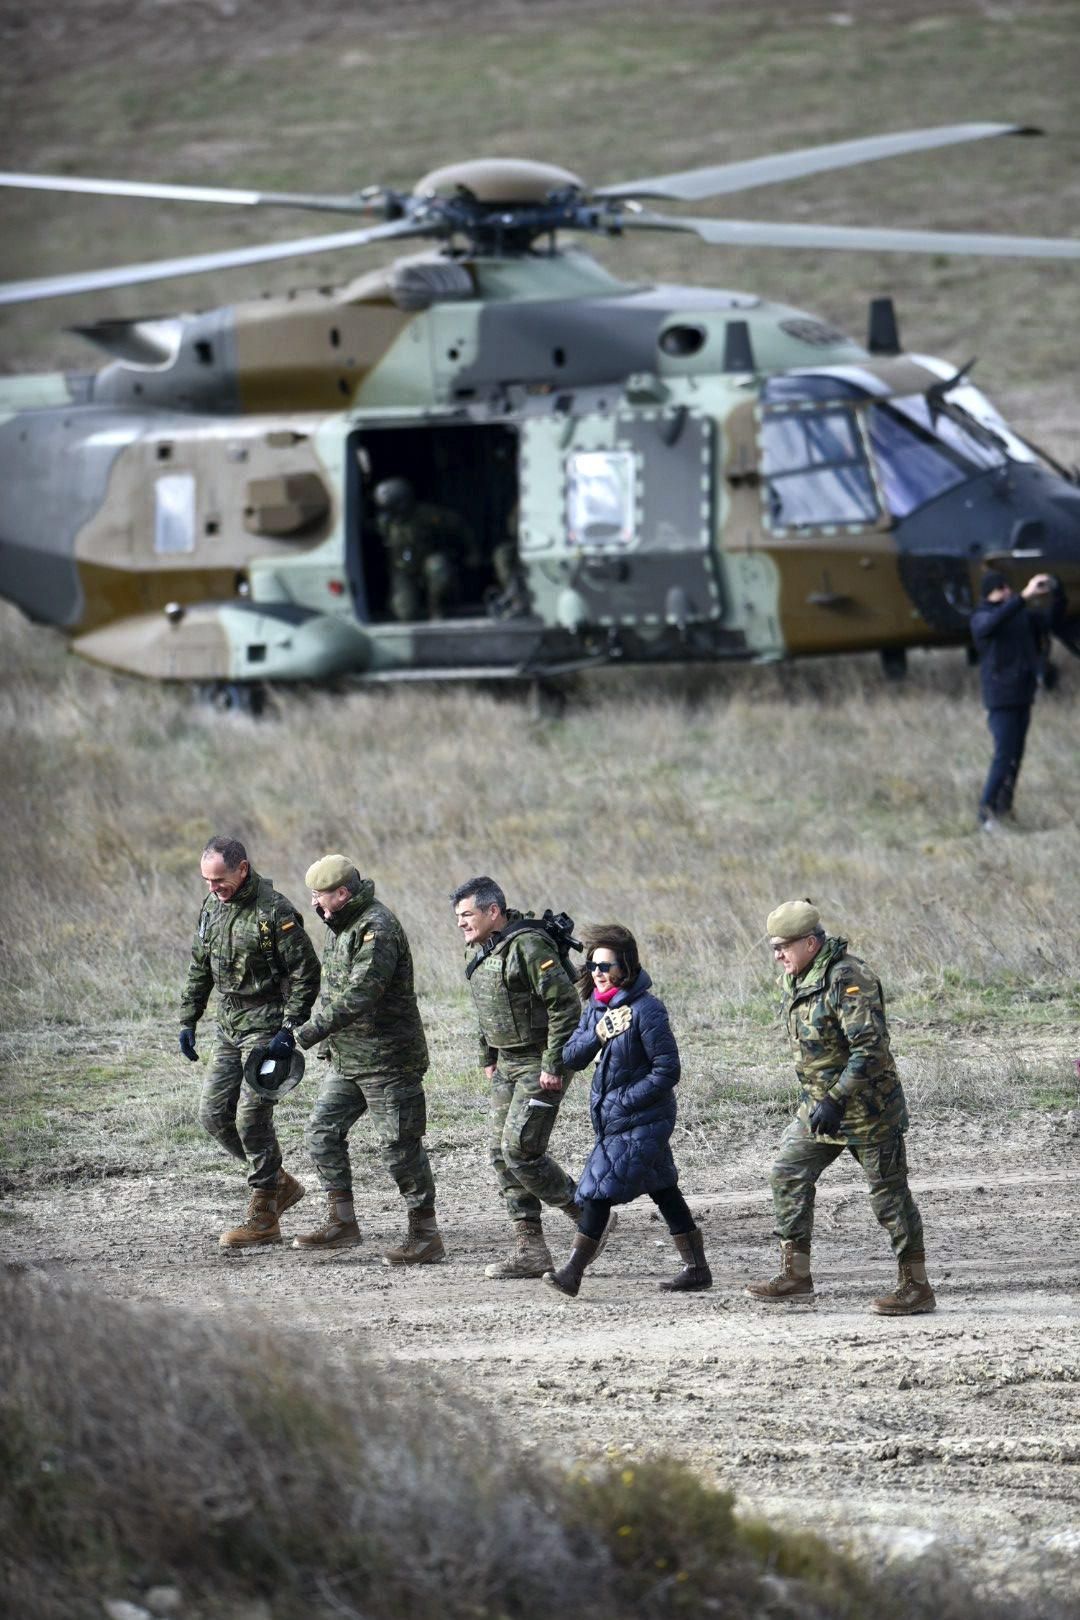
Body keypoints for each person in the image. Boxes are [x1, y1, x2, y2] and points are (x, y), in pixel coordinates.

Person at [747, 899, 935, 1316]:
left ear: (811, 943)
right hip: (819, 1109)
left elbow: (870, 1049)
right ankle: (795, 1276)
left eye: (785, 946)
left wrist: (836, 1098)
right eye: (773, 947)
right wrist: (822, 1101)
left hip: (868, 1109)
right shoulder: (797, 978)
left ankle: (916, 1286)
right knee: (787, 1172)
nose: (777, 955)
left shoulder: (849, 977)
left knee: (888, 1196)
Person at [544, 924, 710, 1300]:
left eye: (606, 965)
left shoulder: (647, 1010)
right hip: (615, 1122)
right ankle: (698, 1269)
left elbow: (667, 1070)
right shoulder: (597, 1009)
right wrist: (599, 1033)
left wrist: (622, 1101)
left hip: (644, 1118)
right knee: (664, 1189)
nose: (598, 973)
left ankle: (572, 1272)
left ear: (627, 967)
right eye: (593, 966)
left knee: (597, 1191)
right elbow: (570, 1056)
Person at [292, 855, 443, 1265]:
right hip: (349, 1059)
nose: (315, 903)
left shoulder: (377, 928)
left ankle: (425, 1234)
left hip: (388, 1060)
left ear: (343, 893)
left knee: (399, 1146)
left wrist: (305, 1035)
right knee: (321, 1132)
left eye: (321, 897)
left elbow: (360, 994)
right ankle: (342, 1223)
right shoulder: (343, 927)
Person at [178, 835, 321, 1249]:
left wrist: (289, 1027)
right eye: (206, 880)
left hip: (267, 1026)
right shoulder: (212, 908)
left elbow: (306, 973)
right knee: (212, 1114)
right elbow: (199, 967)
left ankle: (263, 1214)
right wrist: (189, 1019)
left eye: (219, 879)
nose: (213, 887)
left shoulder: (274, 912)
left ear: (242, 869)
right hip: (229, 1025)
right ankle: (279, 1183)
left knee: (250, 1118)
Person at [452, 876, 590, 1279]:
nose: (461, 923)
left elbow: (565, 1007)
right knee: (500, 1152)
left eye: (467, 915)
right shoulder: (478, 949)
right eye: (457, 917)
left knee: (520, 1149)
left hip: (538, 1061)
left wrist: (553, 1065)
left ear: (493, 911)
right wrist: (487, 1055)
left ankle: (586, 1212)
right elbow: (485, 1007)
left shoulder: (529, 946)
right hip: (507, 1063)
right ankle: (530, 1249)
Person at [970, 569, 1066, 829]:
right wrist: (1023, 596)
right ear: (989, 592)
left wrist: (1057, 593)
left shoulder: (1019, 615)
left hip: (1023, 694)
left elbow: (1050, 621)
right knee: (1003, 756)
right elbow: (992, 624)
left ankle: (1004, 809)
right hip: (1001, 697)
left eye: (1007, 586)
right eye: (1000, 588)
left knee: (1015, 757)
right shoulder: (981, 617)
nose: (1006, 591)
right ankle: (985, 814)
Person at [373, 477, 472, 622]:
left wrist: (472, 551)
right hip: (402, 569)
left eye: (392, 507)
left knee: (438, 568)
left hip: (427, 561)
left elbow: (457, 524)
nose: (390, 512)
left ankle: (437, 609)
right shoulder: (384, 524)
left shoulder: (426, 514)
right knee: (406, 612)